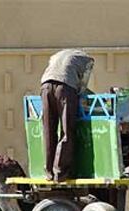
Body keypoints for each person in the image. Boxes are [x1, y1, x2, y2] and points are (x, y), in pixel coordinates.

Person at [40, 49, 94, 182]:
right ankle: (60, 172)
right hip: (65, 88)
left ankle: (48, 172)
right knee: (67, 130)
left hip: (45, 86)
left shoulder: (56, 56)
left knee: (48, 130)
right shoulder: (88, 60)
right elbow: (82, 86)